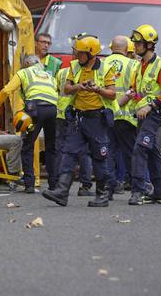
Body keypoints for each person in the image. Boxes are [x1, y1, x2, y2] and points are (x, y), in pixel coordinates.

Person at [42, 33, 118, 207]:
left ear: (91, 54)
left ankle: (102, 195)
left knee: (100, 156)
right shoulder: (74, 66)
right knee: (69, 153)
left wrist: (97, 90)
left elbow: (112, 94)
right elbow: (67, 88)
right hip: (78, 118)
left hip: (97, 119)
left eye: (81, 53)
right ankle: (61, 192)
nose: (77, 56)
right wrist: (79, 87)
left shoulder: (105, 68)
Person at [0, 55, 59, 193]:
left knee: (28, 146)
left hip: (35, 110)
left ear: (26, 63)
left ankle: (29, 184)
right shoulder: (49, 76)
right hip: (52, 110)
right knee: (51, 148)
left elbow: (7, 90)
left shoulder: (24, 72)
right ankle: (54, 184)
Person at [127, 24, 161, 206]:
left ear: (149, 44)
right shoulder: (141, 65)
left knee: (140, 149)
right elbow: (139, 90)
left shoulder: (160, 66)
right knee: (154, 152)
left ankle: (137, 192)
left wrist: (150, 106)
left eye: (138, 43)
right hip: (142, 115)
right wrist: (131, 95)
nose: (135, 46)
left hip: (153, 114)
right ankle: (160, 194)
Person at [104, 35, 140, 193]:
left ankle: (109, 185)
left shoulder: (101, 64)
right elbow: (135, 89)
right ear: (127, 49)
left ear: (111, 48)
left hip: (105, 114)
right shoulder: (133, 65)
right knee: (130, 152)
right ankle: (135, 184)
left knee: (108, 152)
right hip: (125, 116)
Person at [55, 66, 95, 196]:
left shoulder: (62, 72)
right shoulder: (85, 72)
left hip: (61, 113)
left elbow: (57, 90)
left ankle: (58, 183)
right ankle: (85, 185)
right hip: (76, 113)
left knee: (63, 150)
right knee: (84, 151)